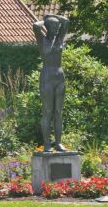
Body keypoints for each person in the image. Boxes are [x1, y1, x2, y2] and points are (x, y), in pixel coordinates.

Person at [33, 14, 69, 152]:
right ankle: (47, 144)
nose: (57, 28)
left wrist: (52, 16)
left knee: (58, 111)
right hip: (47, 77)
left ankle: (58, 143)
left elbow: (65, 21)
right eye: (53, 26)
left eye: (57, 26)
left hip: (60, 77)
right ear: (47, 27)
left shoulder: (59, 38)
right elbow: (36, 26)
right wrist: (47, 20)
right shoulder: (42, 40)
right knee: (48, 111)